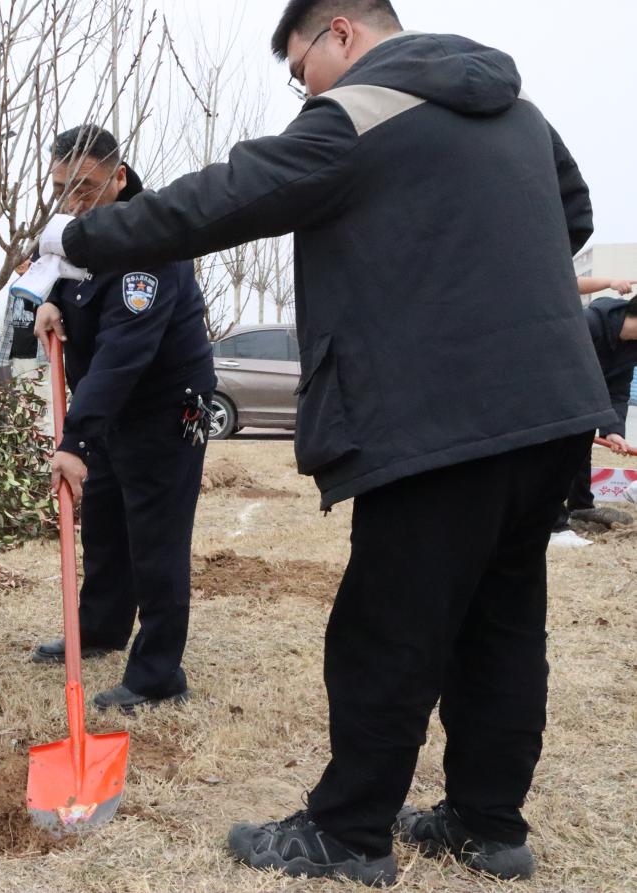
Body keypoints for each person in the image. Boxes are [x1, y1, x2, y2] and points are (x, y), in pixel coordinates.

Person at [33, 1, 615, 885]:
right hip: (549, 406)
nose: (302, 89)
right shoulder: (519, 111)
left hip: (439, 413)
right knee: (501, 617)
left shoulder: (360, 113)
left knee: (388, 625)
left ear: (339, 31)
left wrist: (79, 238)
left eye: (299, 66)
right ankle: (487, 823)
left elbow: (223, 198)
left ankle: (348, 833)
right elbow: (572, 213)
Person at [26, 125, 216, 715]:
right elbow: (63, 281)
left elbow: (124, 352)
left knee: (155, 539)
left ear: (120, 177)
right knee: (105, 524)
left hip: (161, 408)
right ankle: (102, 627)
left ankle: (159, 673)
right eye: (62, 188)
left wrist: (75, 439)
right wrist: (51, 301)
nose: (73, 201)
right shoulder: (79, 235)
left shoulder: (147, 242)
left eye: (85, 187)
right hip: (110, 409)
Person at [554, 292, 637, 535]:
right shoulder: (588, 323)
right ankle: (555, 524)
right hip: (557, 401)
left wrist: (613, 431)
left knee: (581, 451)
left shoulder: (632, 347)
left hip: (584, 407)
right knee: (554, 461)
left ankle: (581, 508)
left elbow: (618, 391)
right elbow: (558, 367)